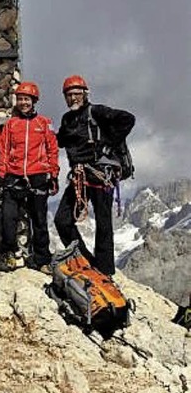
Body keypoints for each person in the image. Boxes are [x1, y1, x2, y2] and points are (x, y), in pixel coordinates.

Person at [54, 75, 135, 275]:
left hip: (100, 173)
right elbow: (60, 141)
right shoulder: (67, 119)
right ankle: (84, 259)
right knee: (62, 220)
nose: (73, 98)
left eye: (76, 94)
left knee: (103, 222)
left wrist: (108, 145)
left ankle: (105, 269)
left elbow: (127, 119)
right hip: (79, 176)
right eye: (69, 95)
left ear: (84, 94)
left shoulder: (96, 112)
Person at [0, 81, 59, 273]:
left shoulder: (44, 123)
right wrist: (2, 172)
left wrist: (54, 173)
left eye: (27, 99)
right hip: (14, 174)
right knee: (9, 217)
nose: (24, 102)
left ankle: (42, 259)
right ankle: (7, 254)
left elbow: (52, 149)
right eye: (21, 99)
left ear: (34, 101)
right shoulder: (11, 124)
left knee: (39, 219)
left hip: (38, 175)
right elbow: (4, 149)